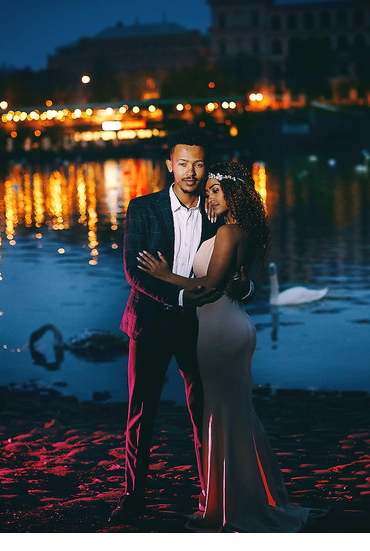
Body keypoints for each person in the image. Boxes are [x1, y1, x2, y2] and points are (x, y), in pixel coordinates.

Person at [137, 161, 318, 532]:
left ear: (234, 193)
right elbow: (238, 282)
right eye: (208, 193)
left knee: (223, 417)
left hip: (222, 332)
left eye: (216, 191)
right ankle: (244, 499)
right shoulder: (237, 231)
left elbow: (209, 287)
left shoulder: (229, 232)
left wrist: (162, 275)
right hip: (225, 328)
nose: (209, 198)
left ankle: (232, 507)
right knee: (235, 417)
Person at [111, 127, 252, 523]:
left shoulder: (216, 214)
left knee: (202, 411)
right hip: (150, 324)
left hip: (200, 327)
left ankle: (211, 495)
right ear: (170, 165)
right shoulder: (143, 209)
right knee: (141, 412)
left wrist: (246, 286)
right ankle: (133, 496)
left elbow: (235, 271)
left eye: (199, 164)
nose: (191, 172)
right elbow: (134, 274)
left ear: (207, 168)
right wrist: (178, 296)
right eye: (183, 163)